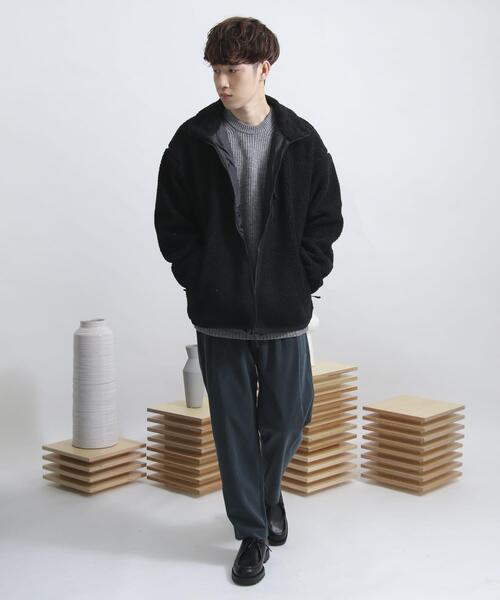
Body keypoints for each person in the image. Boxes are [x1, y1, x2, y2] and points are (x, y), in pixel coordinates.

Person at [154, 16, 343, 586]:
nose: (221, 82)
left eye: (232, 70)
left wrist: (302, 278)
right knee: (234, 428)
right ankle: (252, 533)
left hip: (285, 311)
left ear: (264, 69)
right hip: (220, 313)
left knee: (290, 415)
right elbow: (173, 225)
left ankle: (267, 494)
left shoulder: (302, 141)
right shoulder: (192, 142)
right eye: (215, 70)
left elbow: (325, 219)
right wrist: (201, 278)